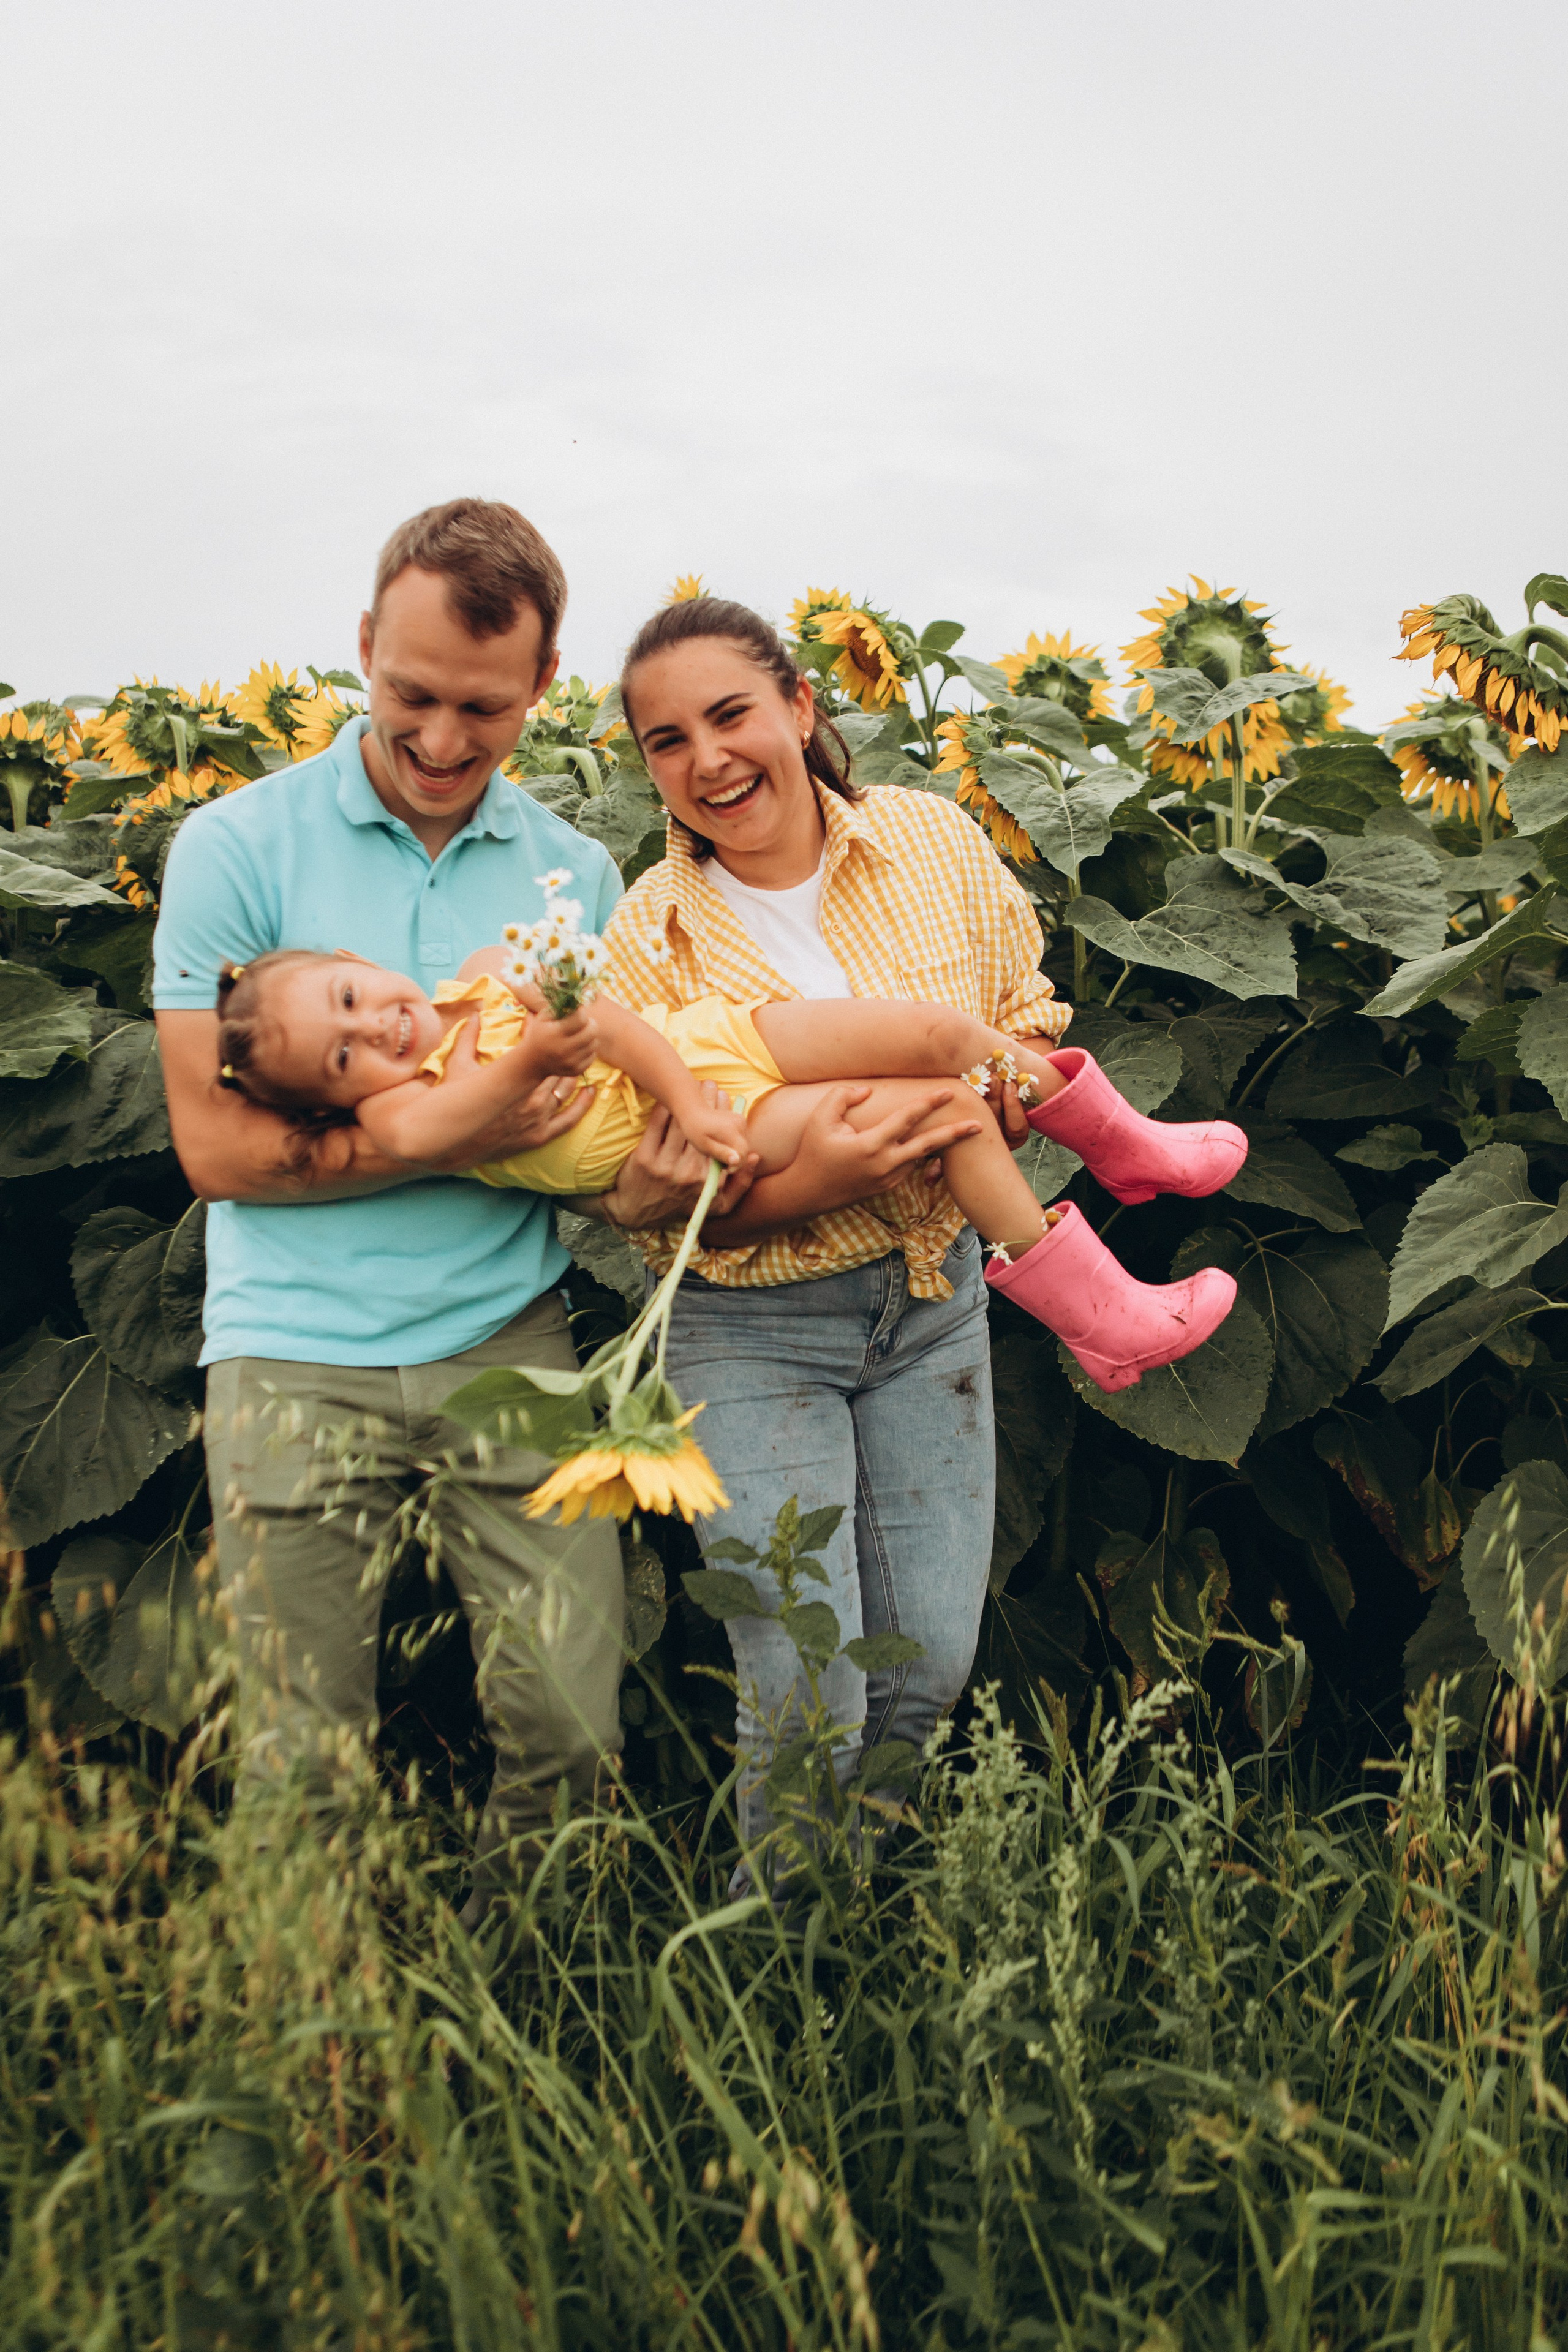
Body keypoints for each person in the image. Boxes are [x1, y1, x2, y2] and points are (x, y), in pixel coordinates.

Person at [151, 499, 749, 1915]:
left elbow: (588, 1144)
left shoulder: (577, 874)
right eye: (408, 694)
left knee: (568, 1727)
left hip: (511, 1337)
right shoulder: (235, 847)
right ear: (362, 646)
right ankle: (329, 2063)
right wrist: (465, 1126)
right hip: (289, 1348)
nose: (437, 739)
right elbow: (214, 1151)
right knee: (302, 1752)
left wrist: (638, 1195)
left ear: (542, 688)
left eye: (480, 709)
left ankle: (519, 2024)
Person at [567, 592, 1229, 1853]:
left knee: (923, 1666)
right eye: (664, 740)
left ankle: (848, 1942)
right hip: (750, 1330)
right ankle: (773, 1970)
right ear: (645, 765)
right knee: (807, 1682)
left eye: (729, 715)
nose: (706, 759)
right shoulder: (644, 940)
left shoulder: (928, 841)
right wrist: (831, 1169)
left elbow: (1018, 1007)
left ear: (800, 707)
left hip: (934, 1307)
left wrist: (1008, 1094)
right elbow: (656, 1206)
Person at [204, 936, 1242, 1393]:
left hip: (712, 1051)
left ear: (356, 958)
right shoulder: (401, 1113)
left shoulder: (480, 972)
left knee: (939, 1035)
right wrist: (533, 1052)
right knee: (945, 1117)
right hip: (731, 1133)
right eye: (339, 1058)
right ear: (339, 1099)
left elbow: (607, 1021)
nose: (370, 1031)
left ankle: (1126, 1145)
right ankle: (1101, 1324)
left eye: (350, 996)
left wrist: (689, 1092)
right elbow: (448, 1128)